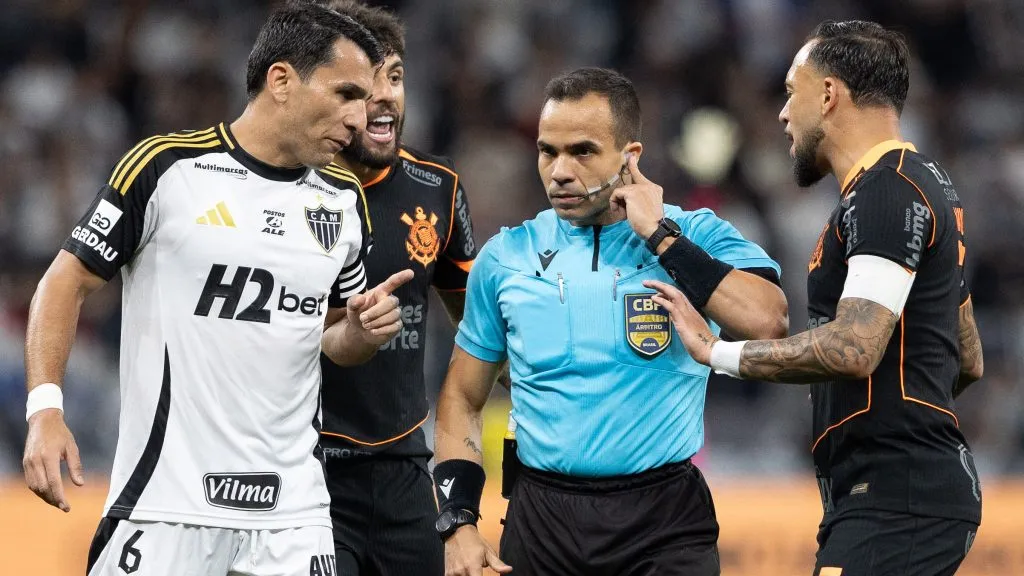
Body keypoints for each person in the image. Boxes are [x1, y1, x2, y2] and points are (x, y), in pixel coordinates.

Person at [21, 4, 414, 575]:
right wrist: (45, 410)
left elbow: (329, 338)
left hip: (293, 514)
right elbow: (64, 282)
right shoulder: (166, 168)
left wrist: (359, 332)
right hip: (164, 505)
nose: (361, 118)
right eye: (346, 94)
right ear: (281, 81)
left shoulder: (343, 200)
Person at [652, 21, 984, 576]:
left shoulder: (884, 191)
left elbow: (854, 349)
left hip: (894, 498)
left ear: (828, 95)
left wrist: (717, 353)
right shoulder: (921, 185)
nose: (783, 114)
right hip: (901, 494)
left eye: (790, 91)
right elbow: (966, 355)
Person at [433, 67, 789, 576]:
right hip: (542, 521)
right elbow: (460, 399)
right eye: (546, 151)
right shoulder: (506, 256)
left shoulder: (696, 236)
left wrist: (661, 237)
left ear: (630, 157)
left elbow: (768, 321)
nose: (559, 170)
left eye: (581, 151)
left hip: (665, 521)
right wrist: (459, 521)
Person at [317, 2, 478, 575]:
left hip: (407, 473)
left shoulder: (438, 187)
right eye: (364, 83)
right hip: (309, 475)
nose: (385, 95)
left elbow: (476, 330)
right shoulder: (287, 191)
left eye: (396, 76)